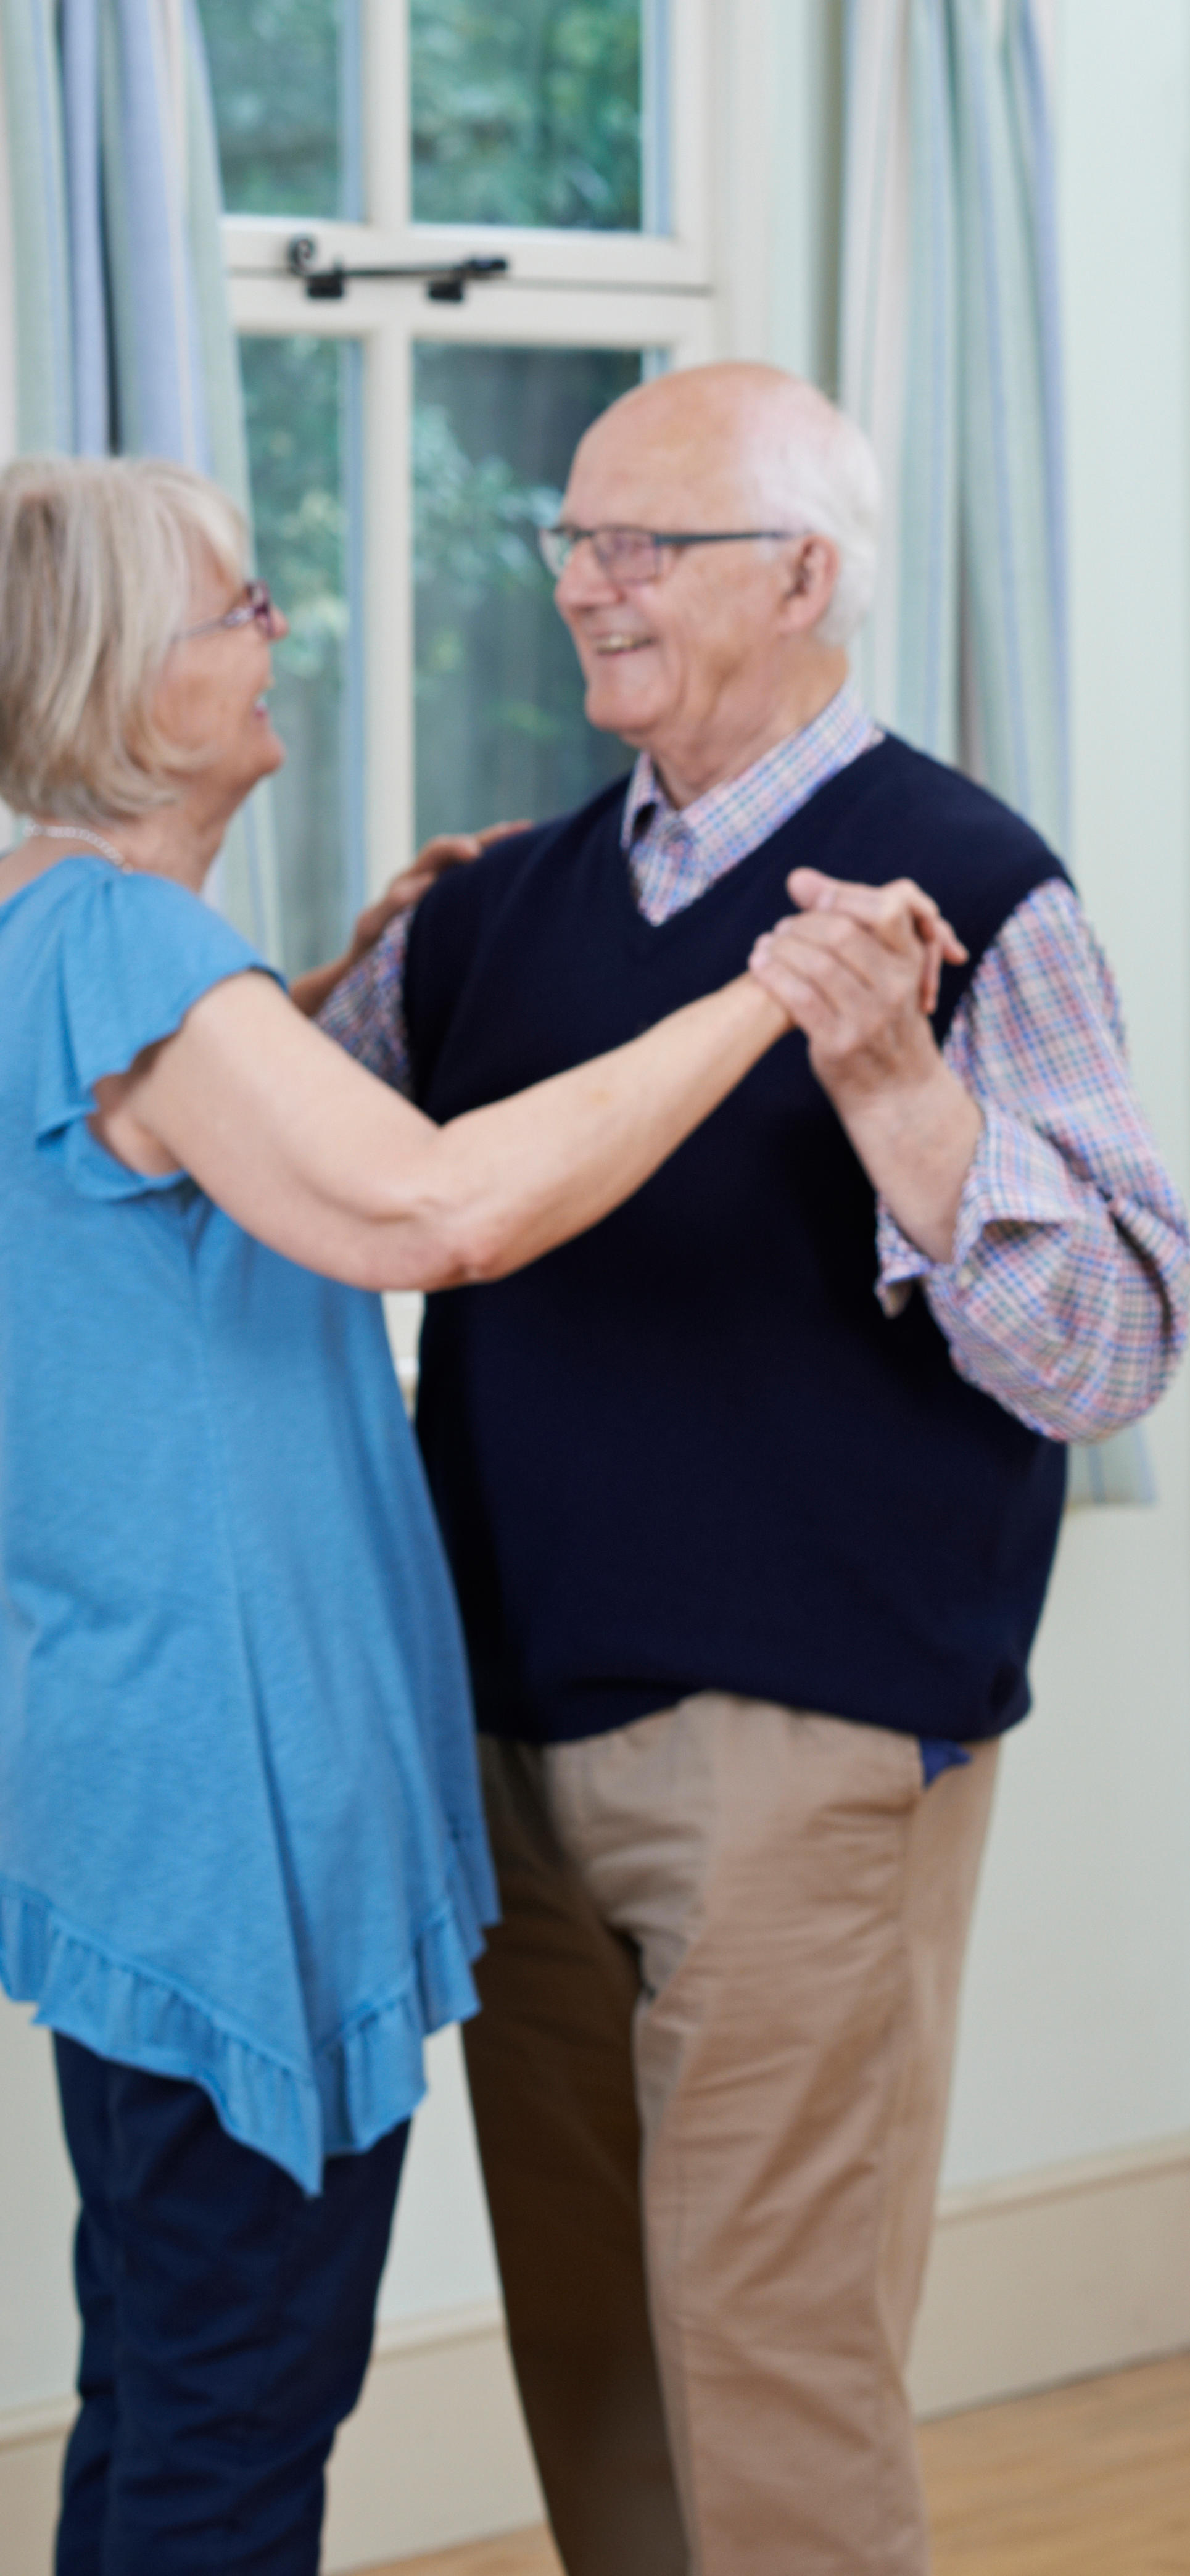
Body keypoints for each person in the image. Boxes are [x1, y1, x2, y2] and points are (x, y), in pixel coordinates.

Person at [0, 456, 947, 2569]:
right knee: (234, 2414)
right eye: (232, 611)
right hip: (226, 1809)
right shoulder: (128, 950)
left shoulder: (78, 954)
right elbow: (438, 1209)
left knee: (166, 2370)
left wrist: (334, 980)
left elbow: (178, 1212)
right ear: (115, 683)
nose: (276, 635)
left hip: (141, 1774)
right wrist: (770, 998)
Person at [306, 362, 1190, 2576]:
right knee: (590, 2363)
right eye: (572, 541)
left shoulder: (981, 889)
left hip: (807, 1747)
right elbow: (278, 1176)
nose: (585, 587)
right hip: (502, 1730)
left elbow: (1118, 1352)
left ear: (804, 576)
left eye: (641, 545)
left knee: (773, 2369)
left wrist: (901, 1093)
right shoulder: (489, 909)